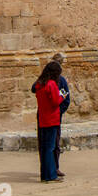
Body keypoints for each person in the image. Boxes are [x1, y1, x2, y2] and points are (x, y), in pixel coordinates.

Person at [31, 51, 70, 180]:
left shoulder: (39, 84)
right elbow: (55, 101)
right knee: (50, 147)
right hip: (52, 119)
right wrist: (62, 97)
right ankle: (51, 174)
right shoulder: (51, 84)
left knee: (44, 147)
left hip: (42, 118)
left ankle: (45, 174)